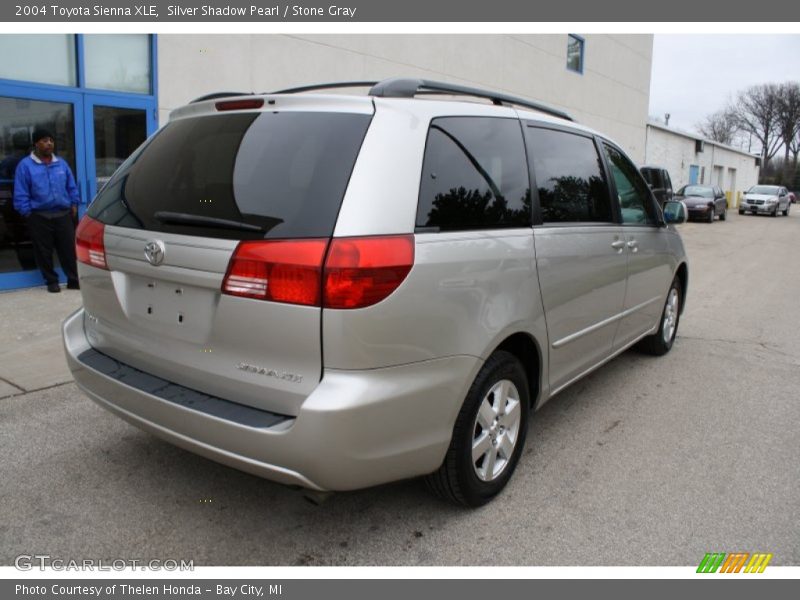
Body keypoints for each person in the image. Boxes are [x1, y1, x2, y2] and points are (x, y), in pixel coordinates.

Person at [13, 127, 80, 293]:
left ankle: (73, 279)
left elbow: (71, 186)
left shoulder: (61, 163)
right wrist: (28, 213)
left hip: (63, 214)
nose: (49, 144)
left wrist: (74, 203)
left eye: (51, 140)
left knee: (69, 249)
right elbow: (21, 192)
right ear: (36, 144)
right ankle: (51, 281)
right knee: (44, 251)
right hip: (39, 216)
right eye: (44, 141)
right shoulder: (25, 166)